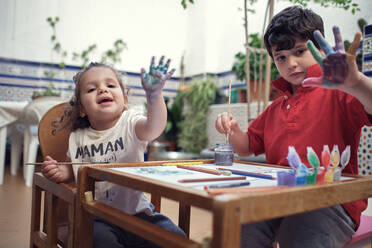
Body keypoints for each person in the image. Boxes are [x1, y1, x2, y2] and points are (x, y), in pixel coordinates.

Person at [215, 6, 372, 248]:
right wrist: (233, 130)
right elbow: (246, 147)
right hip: (278, 196)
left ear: (320, 49)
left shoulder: (340, 95)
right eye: (281, 57)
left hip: (331, 201)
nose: (291, 63)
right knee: (238, 226)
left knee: (298, 233)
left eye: (299, 51)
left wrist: (356, 82)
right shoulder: (276, 107)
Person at [41, 57, 186, 248]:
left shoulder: (130, 123)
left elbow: (154, 128)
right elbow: (72, 168)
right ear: (82, 109)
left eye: (110, 84)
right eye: (92, 89)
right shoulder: (78, 136)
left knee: (177, 238)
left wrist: (154, 95)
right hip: (96, 216)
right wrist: (60, 171)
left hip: (139, 214)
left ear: (125, 101)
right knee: (100, 241)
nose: (102, 89)